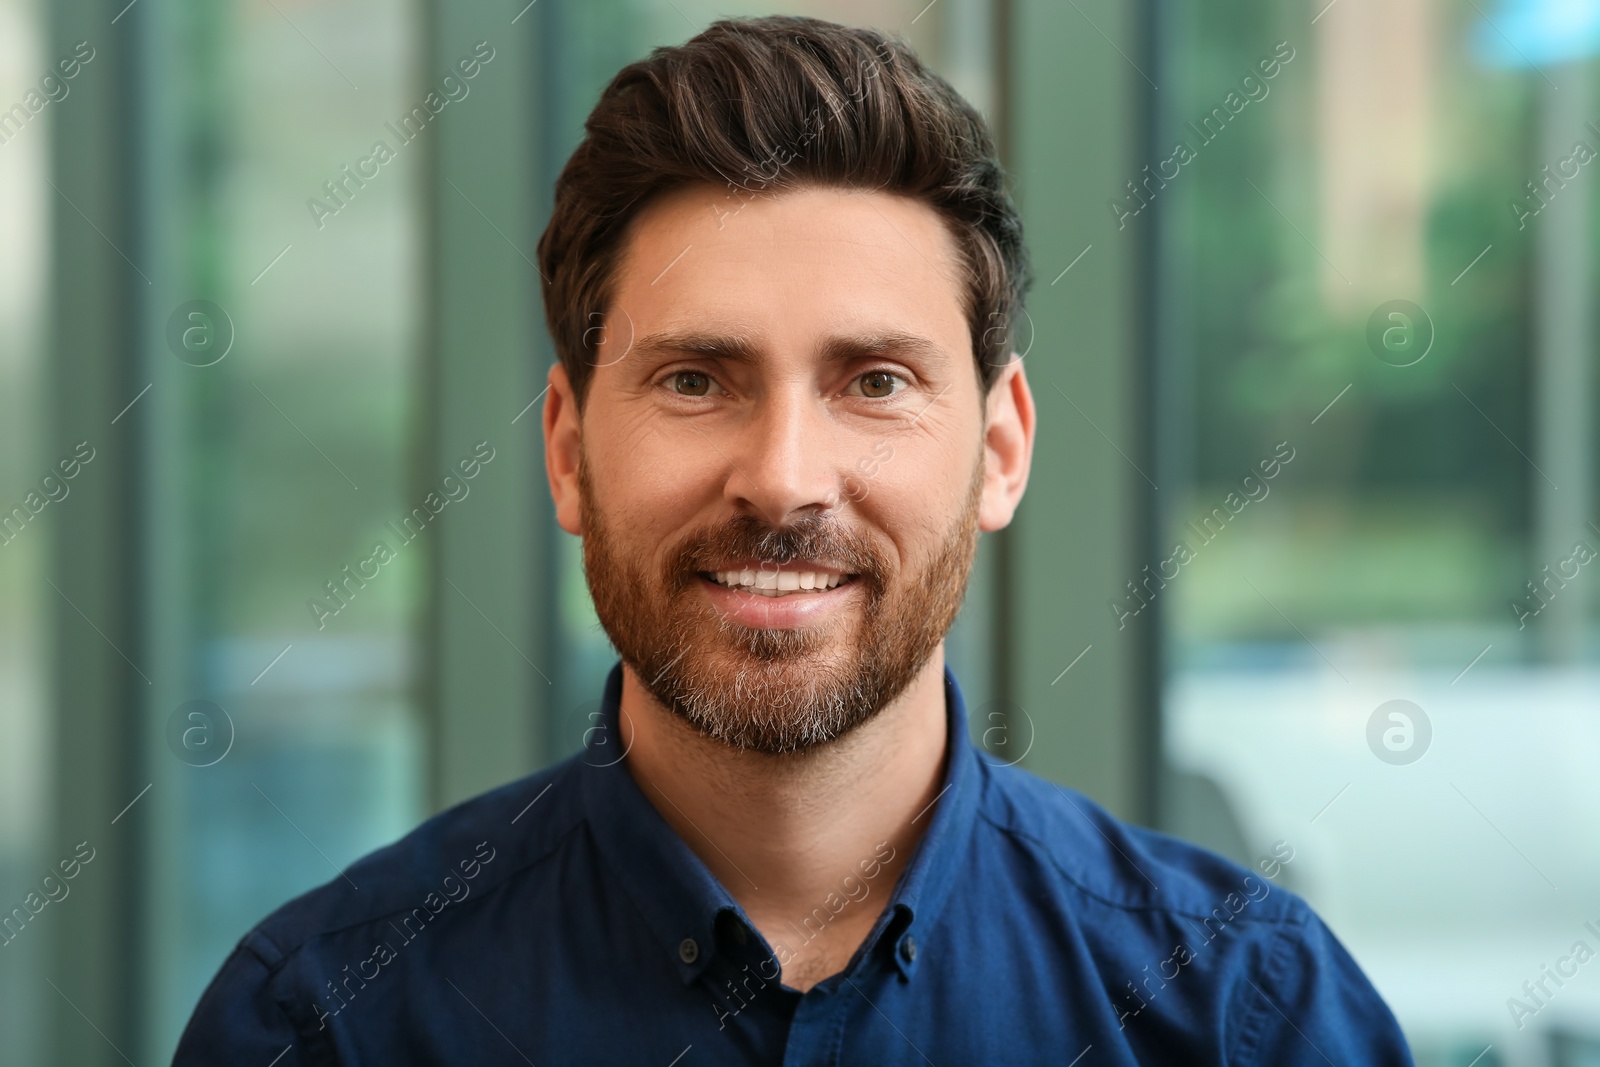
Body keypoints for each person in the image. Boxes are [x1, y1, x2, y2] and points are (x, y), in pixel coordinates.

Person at [174, 15, 1413, 1064]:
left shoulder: (1249, 1016)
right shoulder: (328, 1019)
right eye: (695, 380)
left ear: (998, 448)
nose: (782, 479)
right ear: (565, 447)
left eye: (873, 380)